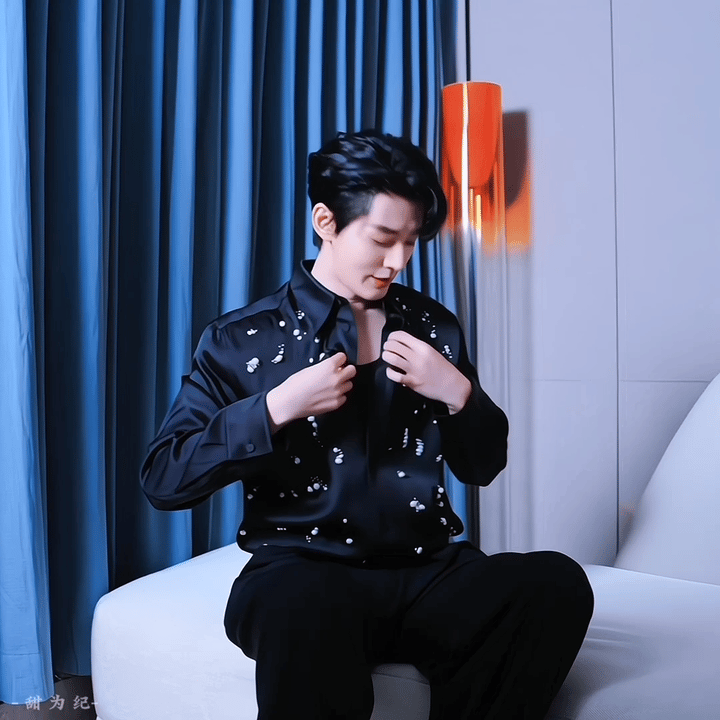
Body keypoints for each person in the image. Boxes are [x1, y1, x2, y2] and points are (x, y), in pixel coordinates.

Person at [141, 130, 594, 720]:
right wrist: (275, 408)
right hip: (301, 570)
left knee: (555, 583)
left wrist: (459, 394)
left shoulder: (434, 327)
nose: (398, 262)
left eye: (411, 242)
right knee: (302, 605)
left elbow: (483, 465)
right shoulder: (241, 339)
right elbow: (165, 478)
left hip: (428, 573)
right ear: (325, 221)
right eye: (383, 239)